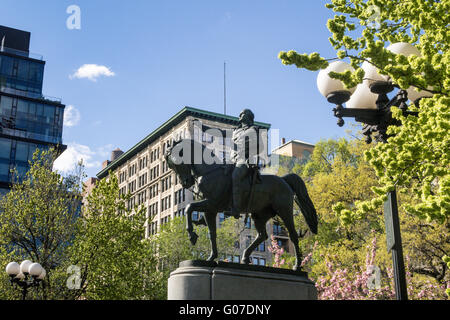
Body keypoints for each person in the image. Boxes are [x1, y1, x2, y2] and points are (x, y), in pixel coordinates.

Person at [228, 108, 260, 219]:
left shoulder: (254, 129)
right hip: (233, 160)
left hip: (245, 160)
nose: (240, 115)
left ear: (248, 116)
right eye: (240, 113)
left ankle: (236, 208)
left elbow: (259, 146)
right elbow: (222, 133)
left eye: (243, 113)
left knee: (235, 176)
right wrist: (203, 128)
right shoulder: (235, 131)